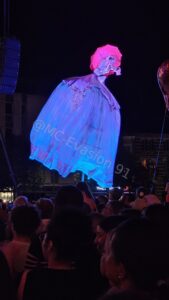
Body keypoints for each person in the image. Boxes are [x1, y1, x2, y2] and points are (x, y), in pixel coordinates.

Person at [30, 44, 122, 188]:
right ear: (101, 59)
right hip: (79, 120)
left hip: (90, 126)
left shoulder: (107, 100)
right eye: (108, 58)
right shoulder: (81, 85)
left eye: (113, 59)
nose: (110, 63)